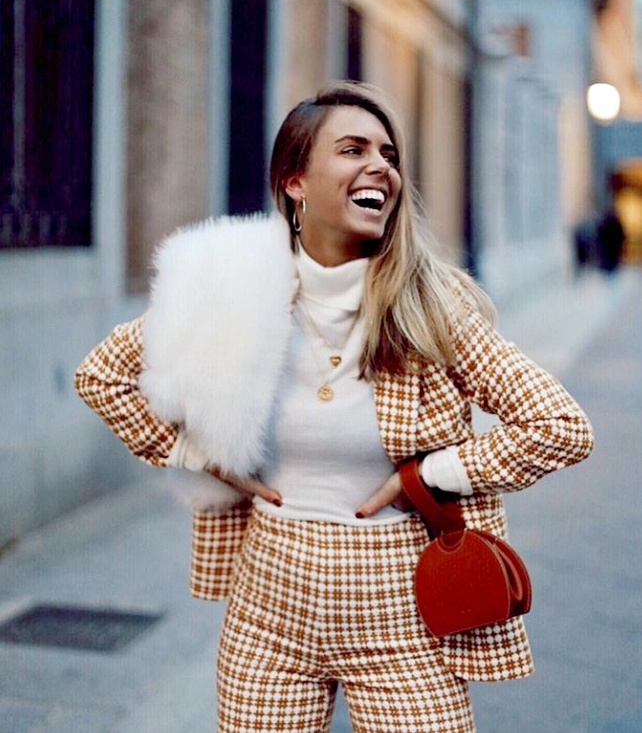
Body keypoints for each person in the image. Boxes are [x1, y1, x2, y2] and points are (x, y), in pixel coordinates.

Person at [75, 81, 594, 732]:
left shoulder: (433, 305)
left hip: (403, 614)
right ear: (295, 181)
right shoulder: (231, 291)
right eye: (353, 150)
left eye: (388, 154)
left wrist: (432, 473)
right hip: (269, 609)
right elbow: (103, 376)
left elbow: (559, 426)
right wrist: (201, 455)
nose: (380, 166)